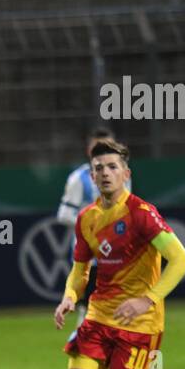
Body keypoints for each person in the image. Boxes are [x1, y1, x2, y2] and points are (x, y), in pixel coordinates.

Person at [47, 138, 185, 369]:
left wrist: (148, 298)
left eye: (112, 167)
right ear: (92, 177)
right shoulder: (87, 218)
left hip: (139, 324)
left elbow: (181, 260)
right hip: (98, 317)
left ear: (126, 174)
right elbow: (80, 270)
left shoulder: (142, 215)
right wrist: (69, 296)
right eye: (99, 168)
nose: (105, 173)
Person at [56, 128, 128, 330]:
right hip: (91, 256)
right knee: (89, 306)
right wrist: (93, 227)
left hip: (119, 253)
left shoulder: (123, 175)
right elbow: (64, 214)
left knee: (119, 305)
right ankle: (83, 349)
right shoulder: (79, 179)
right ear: (90, 151)